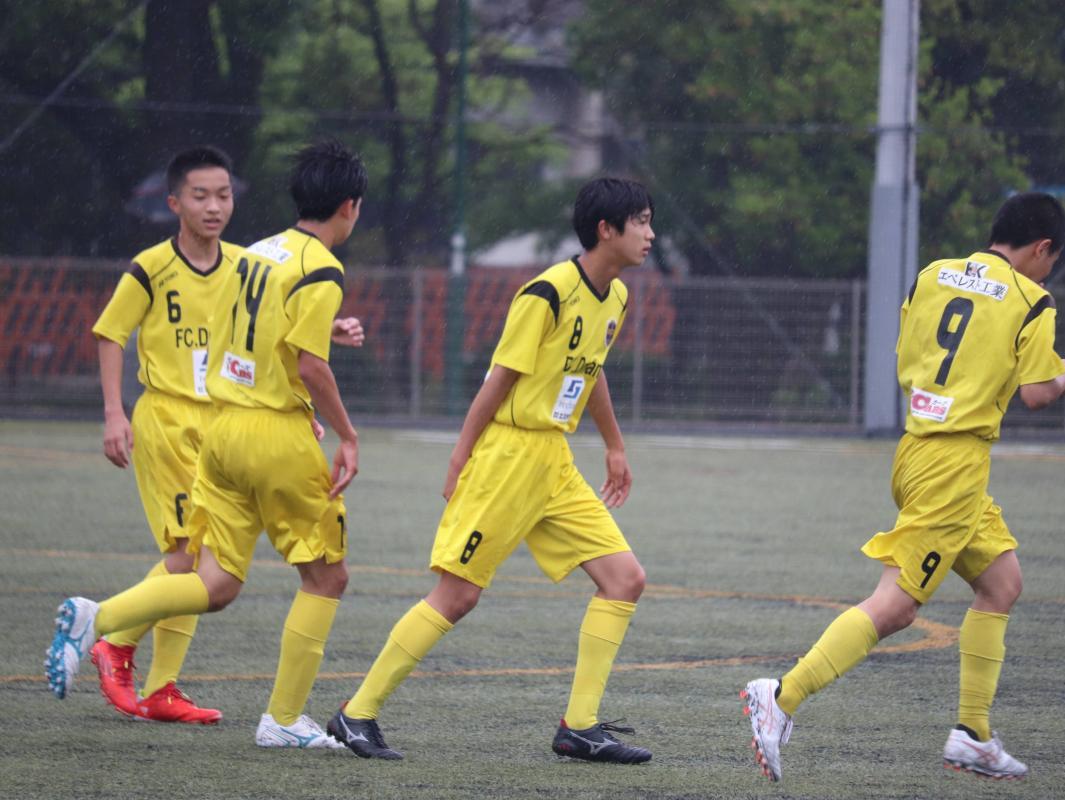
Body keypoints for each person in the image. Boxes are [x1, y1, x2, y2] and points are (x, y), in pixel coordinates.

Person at [741, 192, 1065, 782]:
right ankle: (782, 696)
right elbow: (1036, 392)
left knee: (1001, 583)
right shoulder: (1033, 300)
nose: (1048, 272)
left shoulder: (934, 274)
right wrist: (1064, 379)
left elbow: (908, 356)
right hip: (953, 465)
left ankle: (973, 734)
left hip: (918, 448)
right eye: (1051, 260)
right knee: (895, 606)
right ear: (1042, 247)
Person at [46, 139, 368, 750]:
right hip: (270, 434)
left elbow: (235, 333)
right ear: (350, 206)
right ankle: (283, 719)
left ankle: (100, 618)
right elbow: (309, 364)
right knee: (327, 577)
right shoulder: (323, 267)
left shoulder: (258, 253)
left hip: (222, 430)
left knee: (214, 581)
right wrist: (346, 433)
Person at [326, 177, 656, 765]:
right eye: (642, 222)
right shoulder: (546, 292)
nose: (651, 235)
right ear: (607, 230)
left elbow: (591, 369)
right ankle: (357, 713)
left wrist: (614, 445)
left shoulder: (618, 297)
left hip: (553, 461)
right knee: (457, 595)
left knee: (625, 579)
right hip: (506, 457)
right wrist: (461, 457)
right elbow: (499, 378)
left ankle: (580, 727)